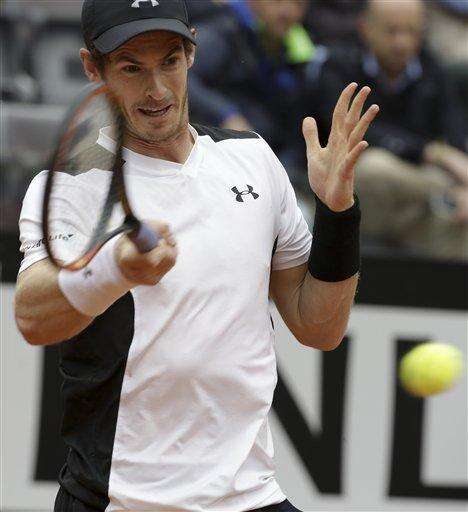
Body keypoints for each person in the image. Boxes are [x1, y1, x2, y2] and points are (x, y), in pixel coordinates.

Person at [14, 0, 378, 510]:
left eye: (169, 61)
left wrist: (339, 214)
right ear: (92, 68)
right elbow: (32, 318)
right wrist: (114, 269)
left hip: (251, 496)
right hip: (122, 500)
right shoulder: (71, 186)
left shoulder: (252, 158)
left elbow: (319, 327)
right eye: (132, 68)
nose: (157, 89)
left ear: (191, 53)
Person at [312, 0, 468, 260]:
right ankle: (446, 196)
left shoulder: (433, 69)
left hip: (419, 199)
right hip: (361, 193)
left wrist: (462, 184)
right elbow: (354, 133)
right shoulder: (338, 66)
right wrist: (431, 153)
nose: (401, 42)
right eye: (392, 31)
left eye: (411, 31)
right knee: (374, 167)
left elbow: (454, 134)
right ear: (365, 28)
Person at [188, 0, 321, 194]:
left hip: (272, 162)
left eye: (298, 4)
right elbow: (184, 78)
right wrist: (227, 115)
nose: (288, 11)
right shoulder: (224, 29)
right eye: (279, 2)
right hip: (219, 155)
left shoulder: (300, 50)